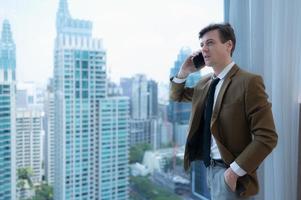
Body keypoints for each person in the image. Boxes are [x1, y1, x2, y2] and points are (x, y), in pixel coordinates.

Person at [169, 23, 278, 199]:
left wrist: (233, 173)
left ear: (229, 45)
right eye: (202, 45)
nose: (204, 49)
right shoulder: (204, 83)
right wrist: (184, 71)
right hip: (209, 169)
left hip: (229, 172)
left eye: (210, 43)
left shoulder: (248, 82)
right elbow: (177, 96)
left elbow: (267, 136)